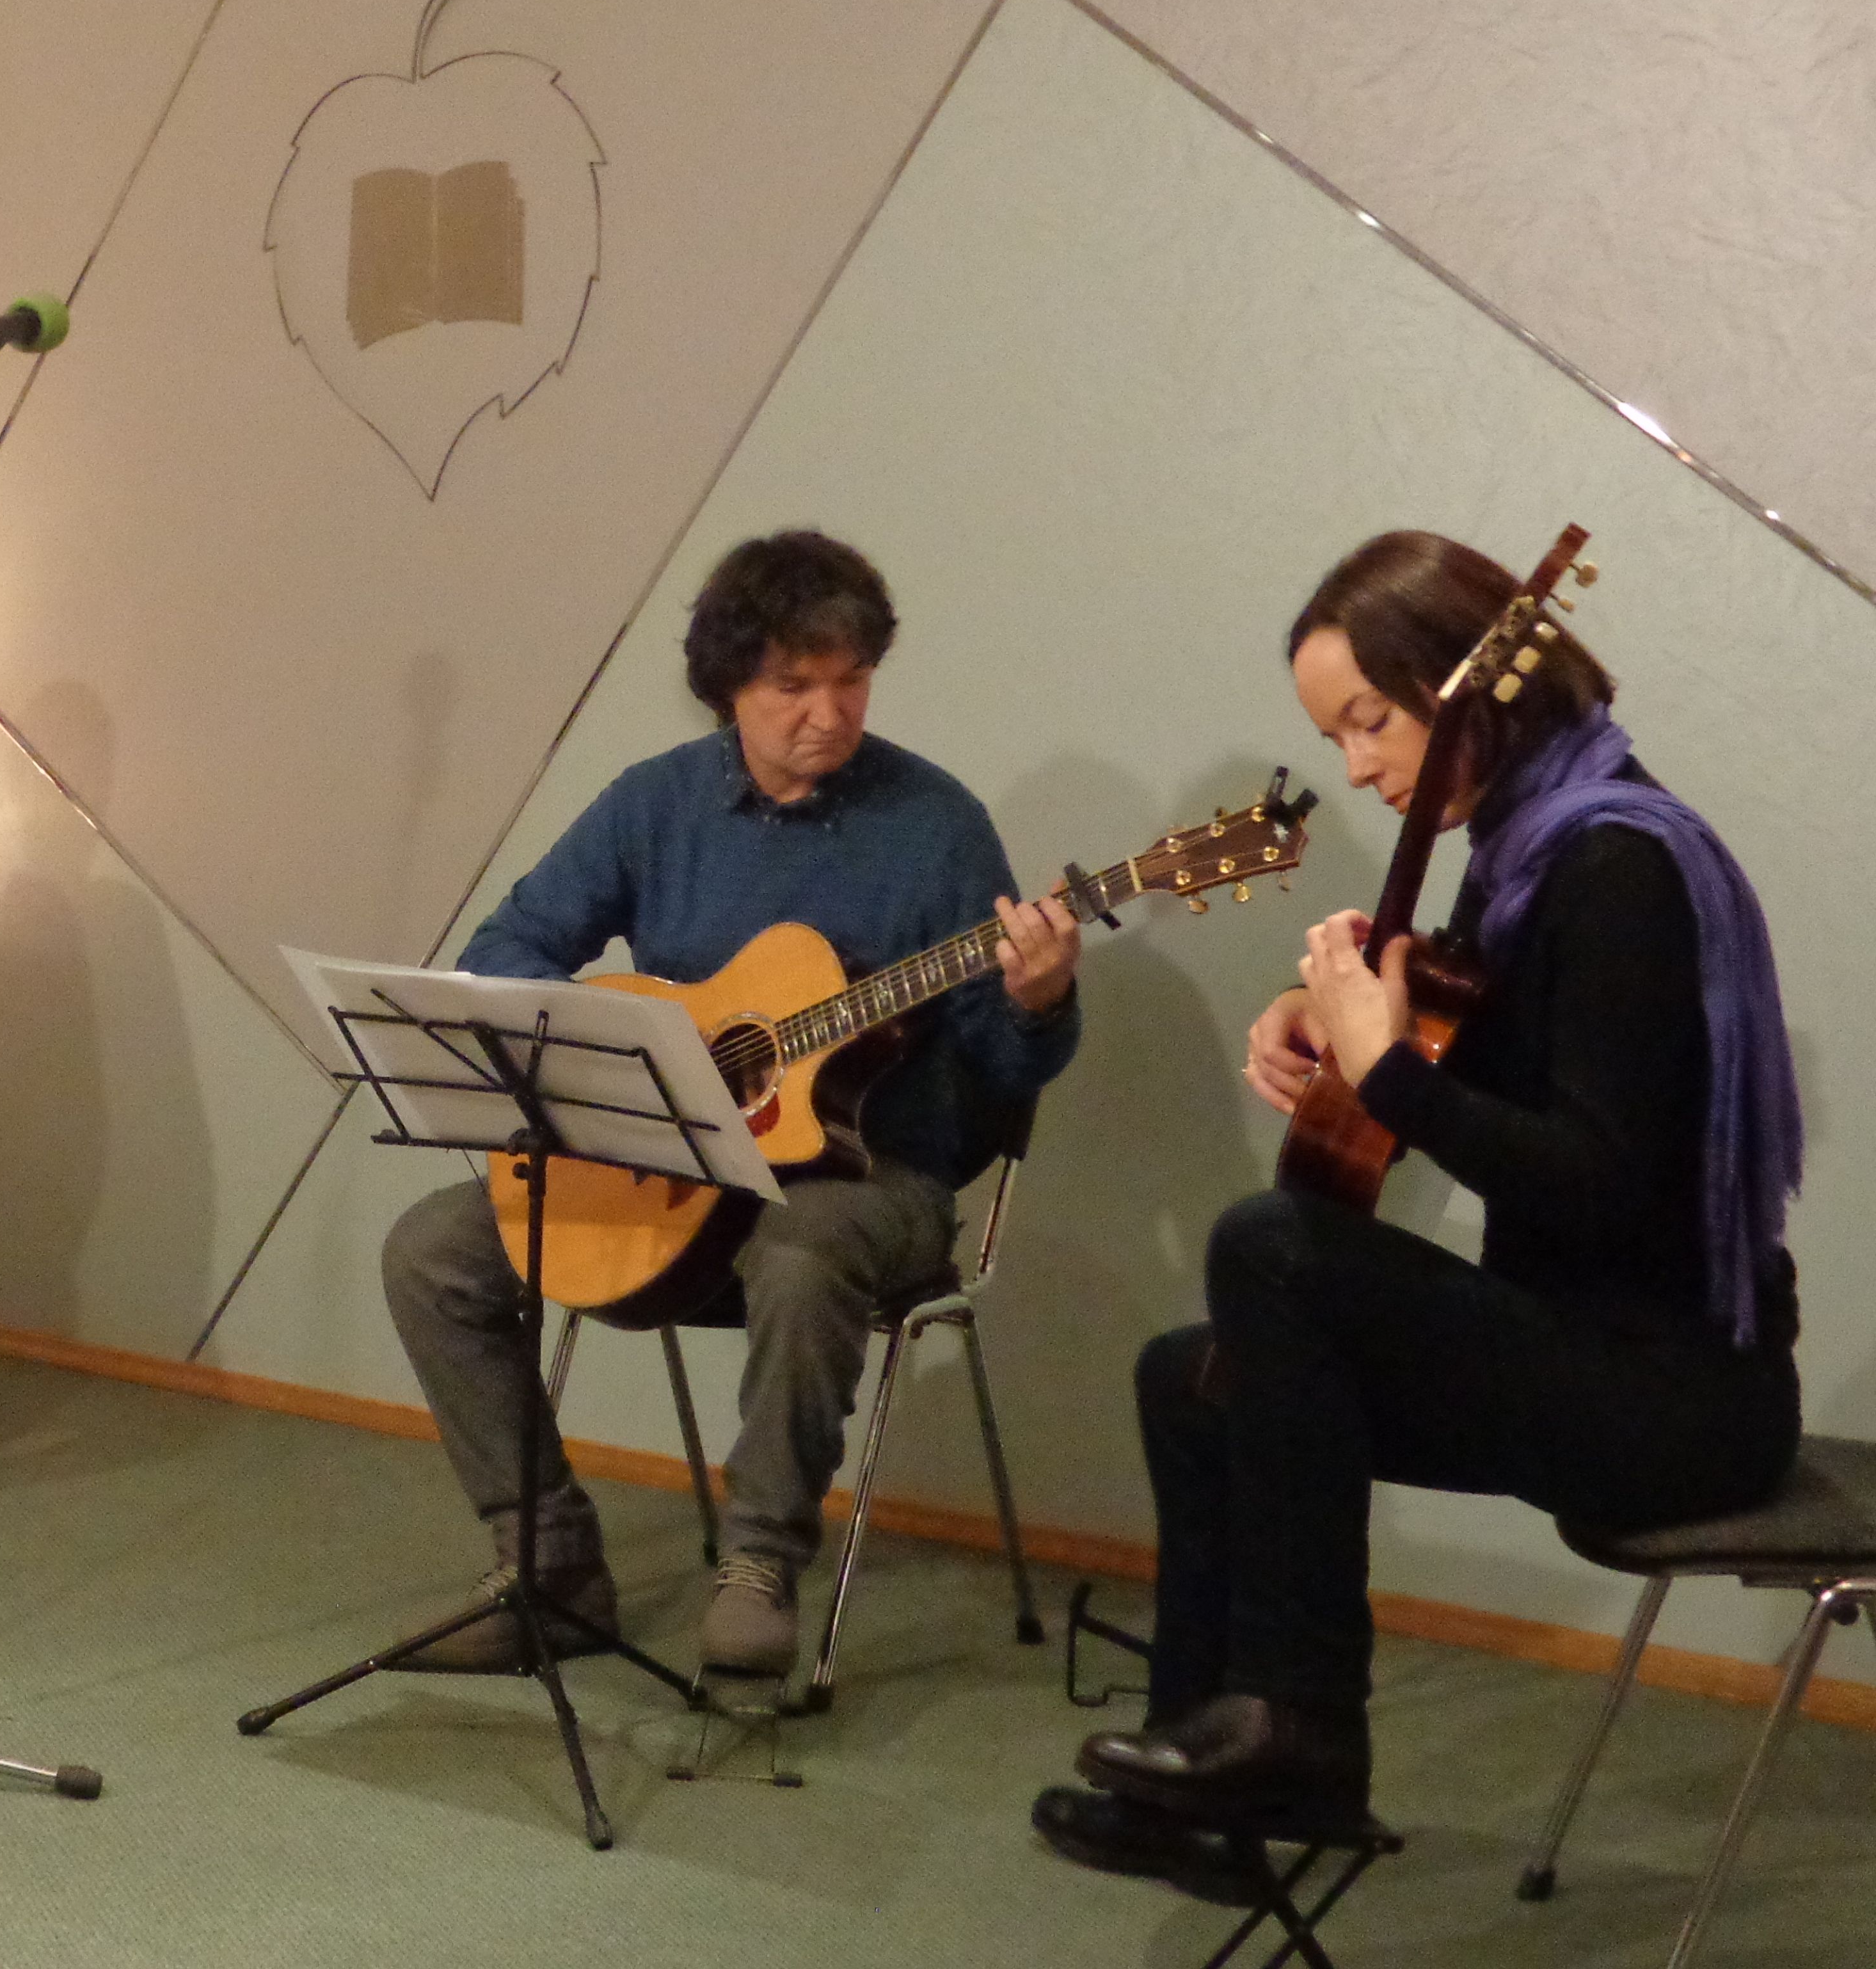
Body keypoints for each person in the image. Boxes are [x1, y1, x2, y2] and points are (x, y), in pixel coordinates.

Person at [1033, 530, 1803, 1896]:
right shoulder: (1522, 852)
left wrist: (1385, 1068)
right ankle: (1204, 1792)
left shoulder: (1616, 868)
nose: (1354, 767)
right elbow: (1474, 1055)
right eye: (1334, 736)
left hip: (1674, 1398)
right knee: (1192, 1379)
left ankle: (1305, 1728)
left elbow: (1595, 1182)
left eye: (1368, 722)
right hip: (1575, 1351)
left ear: (1470, 691)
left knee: (1268, 1246)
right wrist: (1323, 1021)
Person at [381, 529, 1083, 1678]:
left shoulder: (935, 826)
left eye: (852, 680)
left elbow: (1005, 1072)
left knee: (802, 1253)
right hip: (674, 1173)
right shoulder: (656, 803)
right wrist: (644, 1034)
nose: (829, 713)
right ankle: (549, 1567)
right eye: (792, 685)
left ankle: (759, 1565)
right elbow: (505, 954)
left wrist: (1038, 999)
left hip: (873, 1177)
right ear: (727, 688)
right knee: (432, 1253)